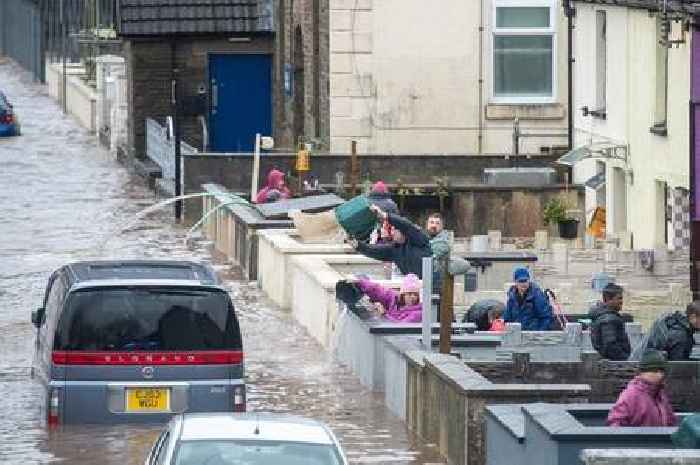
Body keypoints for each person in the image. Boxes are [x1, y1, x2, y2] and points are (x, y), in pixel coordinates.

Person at [350, 205, 432, 278]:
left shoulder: (418, 239)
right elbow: (374, 250)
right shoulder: (394, 249)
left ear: (401, 230)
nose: (392, 233)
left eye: (394, 229)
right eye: (391, 229)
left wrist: (385, 215)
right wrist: (358, 245)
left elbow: (406, 225)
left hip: (428, 284)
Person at [607, 350, 677, 427]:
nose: (660, 375)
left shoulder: (661, 396)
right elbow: (616, 423)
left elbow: (671, 421)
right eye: (655, 371)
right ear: (643, 372)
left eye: (662, 371)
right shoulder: (630, 395)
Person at [353, 274, 423, 323]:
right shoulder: (394, 298)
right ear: (403, 294)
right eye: (409, 294)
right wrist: (359, 282)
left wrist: (383, 314)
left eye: (415, 294)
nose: (413, 297)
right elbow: (378, 290)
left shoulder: (417, 314)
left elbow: (399, 329)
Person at [589, 283, 631, 361]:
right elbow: (610, 345)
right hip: (614, 365)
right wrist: (626, 360)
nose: (621, 301)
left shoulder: (604, 317)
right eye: (619, 298)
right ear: (608, 299)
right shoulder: (609, 319)